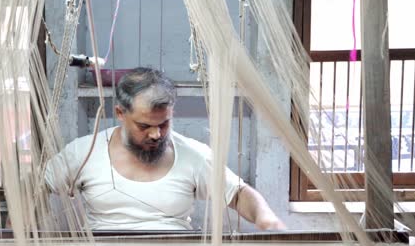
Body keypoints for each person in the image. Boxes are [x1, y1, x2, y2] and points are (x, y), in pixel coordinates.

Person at [45, 67, 285, 232]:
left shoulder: (193, 154)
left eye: (164, 124)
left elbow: (240, 194)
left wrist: (268, 221)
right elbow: (34, 187)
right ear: (119, 113)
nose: (156, 134)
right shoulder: (85, 152)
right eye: (144, 126)